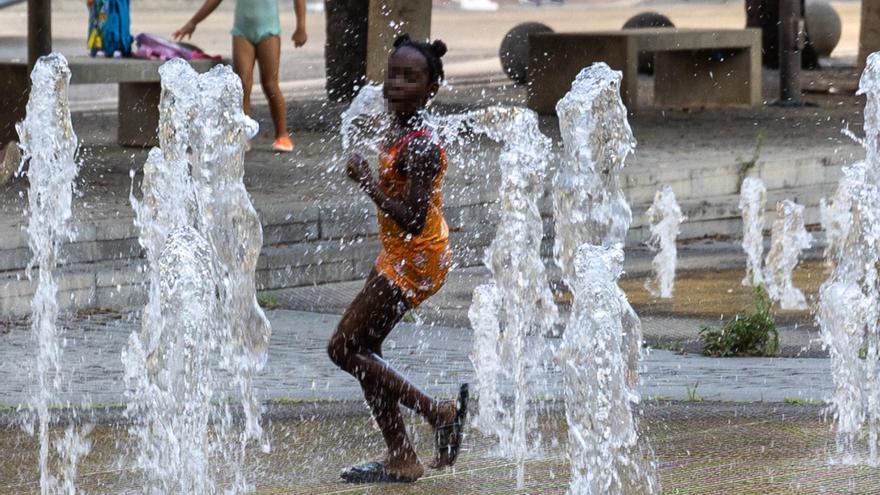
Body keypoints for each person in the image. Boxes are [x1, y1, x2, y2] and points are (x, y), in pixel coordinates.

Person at [328, 34, 468, 484]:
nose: (398, 84)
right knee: (365, 352)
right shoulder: (399, 129)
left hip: (417, 259)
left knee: (344, 348)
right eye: (393, 74)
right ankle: (402, 456)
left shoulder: (421, 146)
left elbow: (411, 218)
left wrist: (368, 183)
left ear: (431, 90)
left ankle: (436, 410)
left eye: (412, 78)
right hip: (400, 255)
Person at [173, 0, 307, 152]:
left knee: (270, 84)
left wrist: (301, 27)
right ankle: (242, 134)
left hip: (269, 31)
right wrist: (193, 22)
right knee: (242, 83)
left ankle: (282, 134)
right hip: (242, 33)